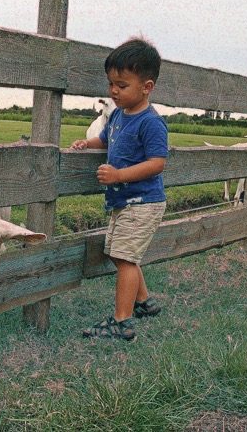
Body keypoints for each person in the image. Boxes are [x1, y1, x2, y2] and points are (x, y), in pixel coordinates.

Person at [71, 37, 169, 341]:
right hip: (124, 201)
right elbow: (105, 139)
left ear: (147, 87)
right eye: (111, 84)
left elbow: (157, 163)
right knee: (117, 253)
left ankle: (122, 322)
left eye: (122, 85)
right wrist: (88, 143)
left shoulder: (151, 123)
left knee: (125, 258)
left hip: (143, 202)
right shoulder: (116, 115)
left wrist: (118, 175)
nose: (113, 91)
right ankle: (143, 302)